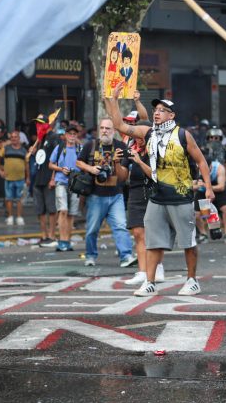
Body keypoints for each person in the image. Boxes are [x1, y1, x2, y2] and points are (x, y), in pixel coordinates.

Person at [105, 86, 213, 297]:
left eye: (162, 110)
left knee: (188, 242)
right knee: (153, 243)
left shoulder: (183, 135)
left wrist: (208, 187)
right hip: (157, 197)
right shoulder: (148, 132)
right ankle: (150, 282)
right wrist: (114, 99)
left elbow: (201, 160)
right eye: (155, 109)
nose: (156, 112)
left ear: (171, 115)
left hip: (181, 196)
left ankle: (192, 281)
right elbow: (119, 125)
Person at [75, 117, 136, 268]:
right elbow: (78, 162)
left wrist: (116, 163)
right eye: (102, 128)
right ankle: (90, 256)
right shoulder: (91, 145)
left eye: (108, 128)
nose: (104, 131)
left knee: (121, 226)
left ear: (113, 131)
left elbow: (124, 176)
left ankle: (126, 256)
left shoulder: (121, 147)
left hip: (116, 195)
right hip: (96, 196)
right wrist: (91, 169)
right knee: (92, 229)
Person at [122, 121, 166, 285]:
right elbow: (122, 176)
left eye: (140, 136)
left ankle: (158, 267)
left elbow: (155, 175)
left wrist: (139, 161)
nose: (137, 139)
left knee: (154, 233)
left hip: (154, 192)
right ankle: (142, 271)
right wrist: (115, 162)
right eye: (135, 136)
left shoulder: (157, 149)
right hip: (135, 192)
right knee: (139, 233)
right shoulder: (131, 149)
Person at [49, 126, 82, 252]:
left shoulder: (80, 148)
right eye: (70, 134)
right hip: (61, 181)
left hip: (76, 183)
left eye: (74, 134)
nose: (72, 136)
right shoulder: (59, 148)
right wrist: (61, 169)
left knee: (72, 213)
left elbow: (85, 164)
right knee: (63, 210)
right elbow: (50, 164)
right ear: (66, 135)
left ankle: (67, 241)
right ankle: (62, 240)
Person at [28, 119, 59, 247]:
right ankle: (44, 235)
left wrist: (53, 178)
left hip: (48, 178)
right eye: (37, 124)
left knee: (51, 208)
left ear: (47, 124)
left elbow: (56, 159)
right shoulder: (40, 139)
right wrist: (33, 152)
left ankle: (52, 235)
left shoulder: (54, 137)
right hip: (38, 178)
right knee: (39, 210)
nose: (38, 126)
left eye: (41, 123)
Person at [0, 130, 28, 226]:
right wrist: (0, 171)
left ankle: (19, 217)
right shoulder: (6, 148)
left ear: (19, 138)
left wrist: (28, 178)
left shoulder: (24, 150)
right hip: (8, 178)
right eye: (12, 137)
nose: (13, 139)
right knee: (9, 199)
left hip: (20, 178)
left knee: (19, 199)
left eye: (15, 137)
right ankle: (10, 217)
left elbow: (27, 165)